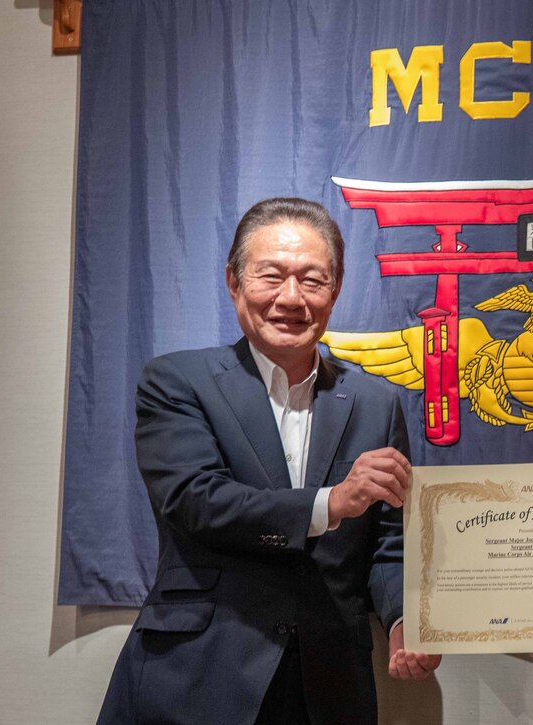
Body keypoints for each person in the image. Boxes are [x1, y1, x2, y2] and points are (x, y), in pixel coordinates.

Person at [98, 197, 440, 725]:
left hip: (330, 686)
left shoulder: (377, 403)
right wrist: (332, 503)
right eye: (271, 276)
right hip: (198, 675)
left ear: (337, 290)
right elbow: (196, 501)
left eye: (312, 280)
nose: (290, 297)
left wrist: (403, 623)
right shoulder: (177, 382)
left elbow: (389, 545)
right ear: (234, 282)